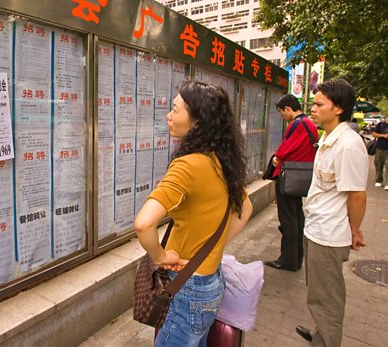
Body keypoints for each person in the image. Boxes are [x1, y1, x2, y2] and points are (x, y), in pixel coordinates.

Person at [134, 80, 253, 347]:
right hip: (211, 281)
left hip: (186, 289)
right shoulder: (220, 158)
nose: (169, 115)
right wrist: (214, 246)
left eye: (175, 109)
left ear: (197, 122)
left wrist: (161, 256)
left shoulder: (188, 165)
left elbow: (143, 224)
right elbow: (246, 208)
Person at [296, 79, 368, 347]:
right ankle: (319, 331)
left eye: (318, 104)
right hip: (316, 228)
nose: (312, 109)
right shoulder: (328, 137)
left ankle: (326, 340)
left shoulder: (348, 145)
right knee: (317, 290)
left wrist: (354, 230)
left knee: (327, 299)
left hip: (329, 234)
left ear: (337, 108)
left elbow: (357, 195)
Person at [264, 94, 318, 272]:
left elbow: (286, 148)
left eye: (281, 112)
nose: (282, 116)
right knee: (296, 217)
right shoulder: (309, 123)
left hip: (288, 178)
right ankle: (296, 259)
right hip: (299, 177)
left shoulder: (298, 123)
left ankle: (287, 260)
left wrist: (276, 159)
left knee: (288, 219)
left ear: (288, 108)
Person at [372, 117, 388, 189]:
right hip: (381, 147)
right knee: (378, 164)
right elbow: (374, 134)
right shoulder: (381, 125)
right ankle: (379, 180)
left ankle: (387, 183)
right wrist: (383, 136)